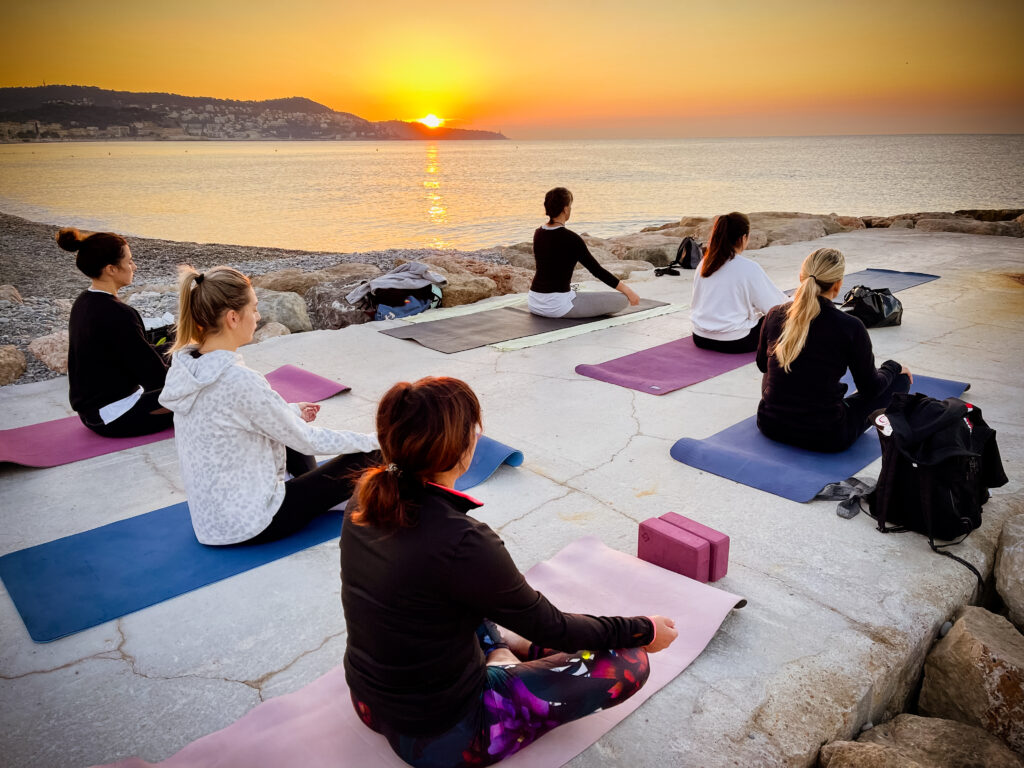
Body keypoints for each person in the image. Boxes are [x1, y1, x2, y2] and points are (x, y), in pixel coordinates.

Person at [341, 376, 679, 767]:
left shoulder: (364, 499)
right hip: (444, 736)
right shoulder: (463, 541)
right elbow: (552, 627)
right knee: (629, 662)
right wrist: (644, 629)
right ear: (462, 446)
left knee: (453, 594)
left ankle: (503, 650)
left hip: (368, 703)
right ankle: (505, 656)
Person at [159, 265, 379, 545]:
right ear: (233, 318)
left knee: (286, 427)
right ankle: (331, 494)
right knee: (373, 454)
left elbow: (231, 415)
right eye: (254, 308)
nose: (258, 316)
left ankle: (320, 496)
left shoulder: (187, 368)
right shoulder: (236, 379)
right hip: (252, 523)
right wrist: (375, 439)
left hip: (211, 521)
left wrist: (293, 411)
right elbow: (308, 440)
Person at [756, 247, 912, 453]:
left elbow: (761, 365)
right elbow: (871, 389)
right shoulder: (850, 326)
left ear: (800, 277)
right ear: (838, 286)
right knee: (900, 380)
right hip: (826, 435)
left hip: (771, 424)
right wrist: (893, 367)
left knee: (778, 361)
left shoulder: (775, 314)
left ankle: (787, 407)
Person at [59, 227, 174, 438]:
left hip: (92, 414)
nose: (134, 266)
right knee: (205, 390)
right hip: (116, 417)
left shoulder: (83, 302)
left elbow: (128, 354)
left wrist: (178, 350)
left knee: (181, 353)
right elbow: (156, 378)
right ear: (111, 269)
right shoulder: (119, 313)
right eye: (129, 261)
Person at [528, 187, 641, 318]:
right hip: (557, 306)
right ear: (565, 209)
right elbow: (597, 271)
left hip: (534, 302)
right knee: (622, 300)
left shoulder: (538, 233)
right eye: (570, 206)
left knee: (580, 294)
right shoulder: (571, 238)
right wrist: (629, 291)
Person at [690, 212, 787, 353]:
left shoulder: (704, 263)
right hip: (735, 342)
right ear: (743, 238)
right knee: (783, 318)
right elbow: (774, 308)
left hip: (700, 337)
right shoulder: (748, 267)